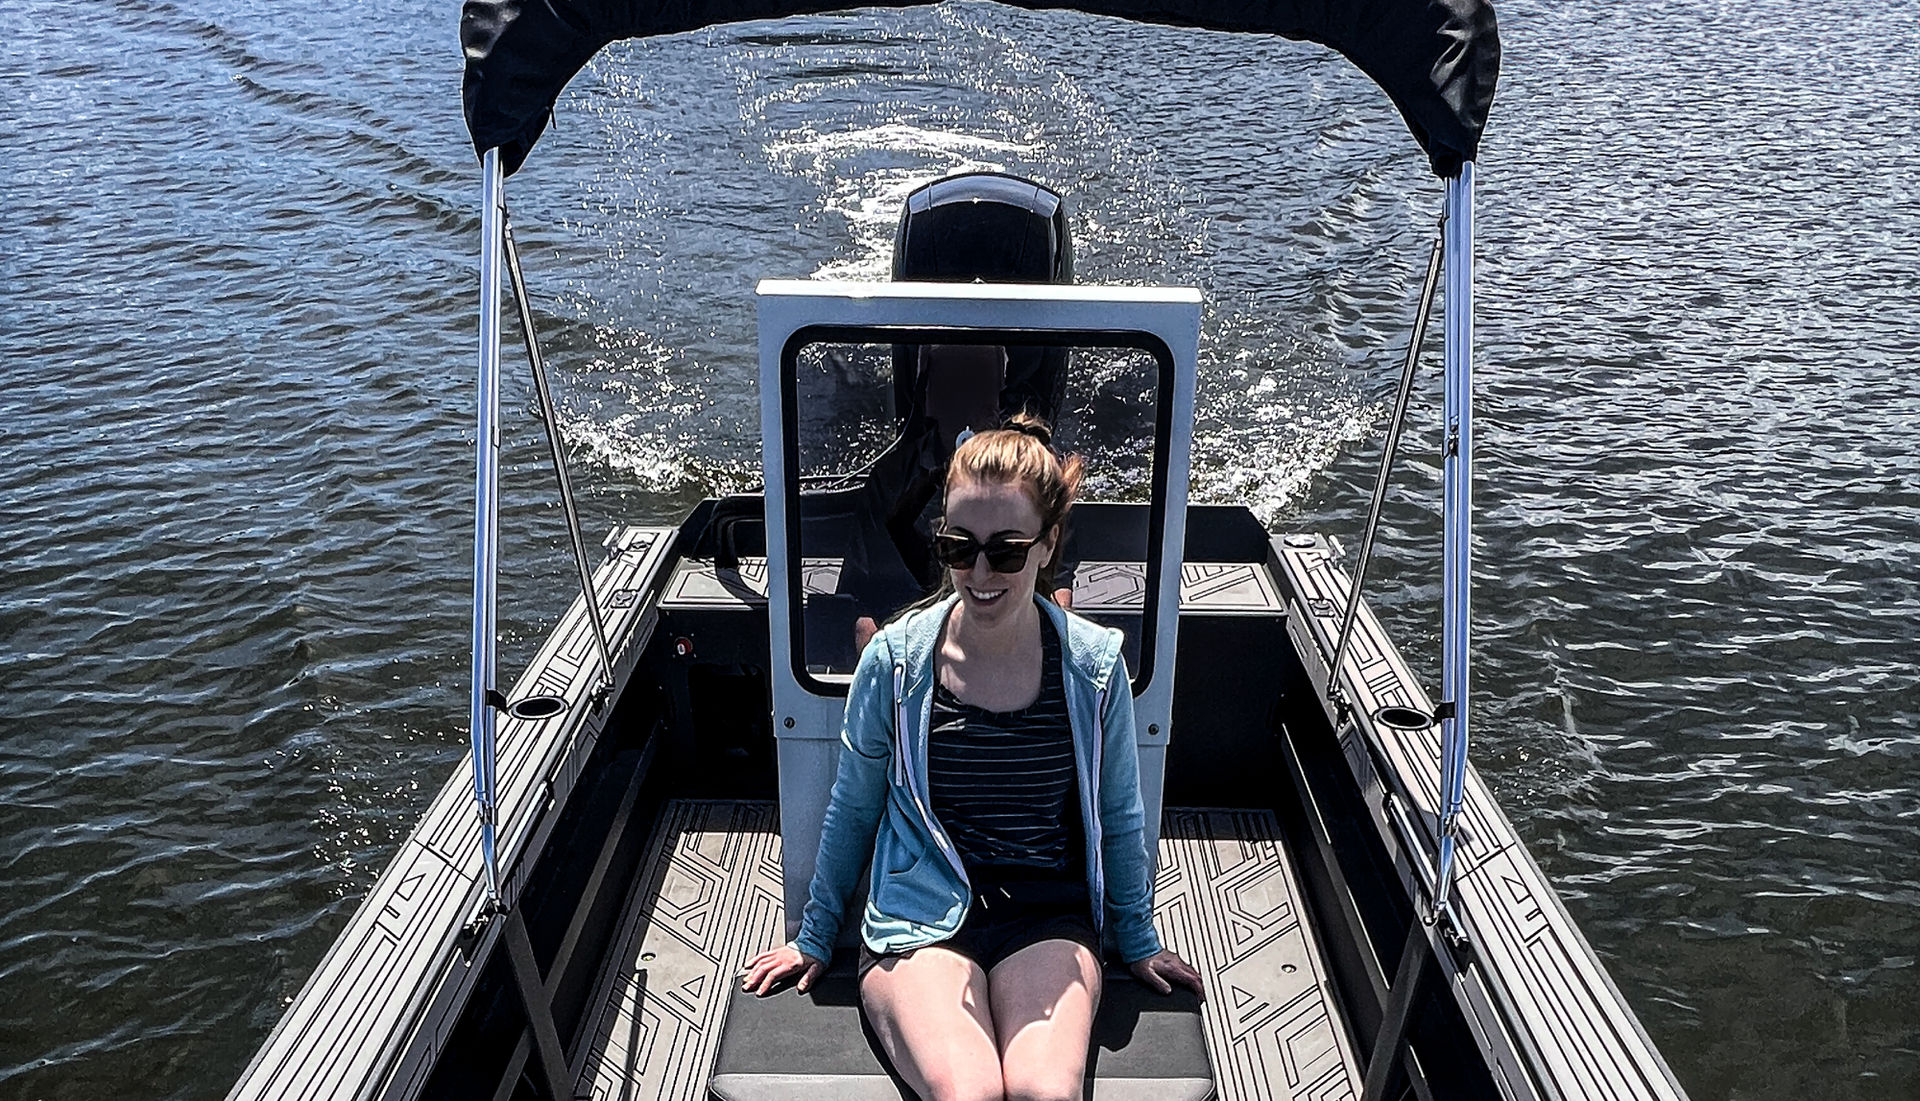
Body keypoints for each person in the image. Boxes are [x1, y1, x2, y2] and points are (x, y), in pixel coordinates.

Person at [741, 414, 1203, 1101]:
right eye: (959, 547)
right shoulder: (894, 662)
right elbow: (854, 807)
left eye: (1006, 551)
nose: (980, 572)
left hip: (1046, 914)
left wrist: (1136, 939)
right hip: (917, 920)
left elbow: (1119, 814)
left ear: (1047, 544)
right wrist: (814, 935)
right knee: (971, 1094)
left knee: (1045, 1093)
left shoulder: (1092, 667)